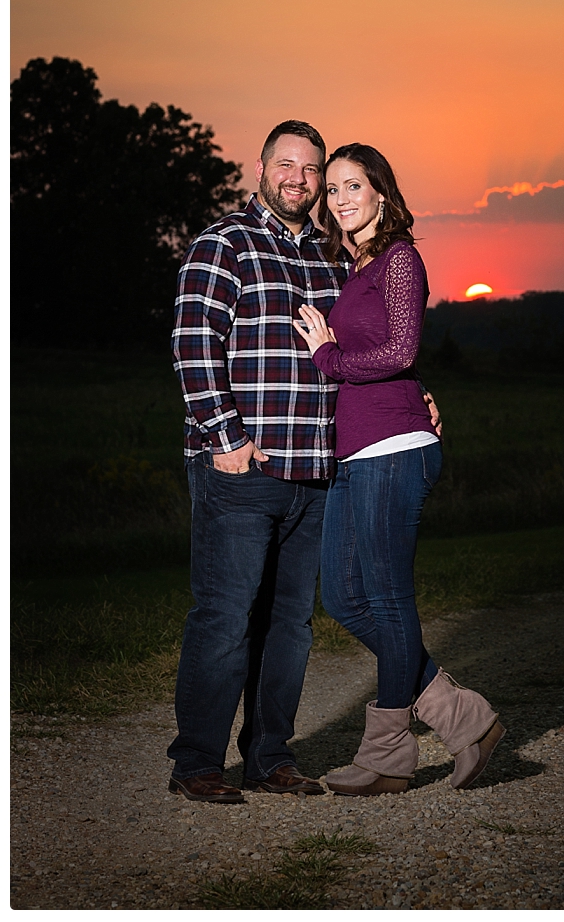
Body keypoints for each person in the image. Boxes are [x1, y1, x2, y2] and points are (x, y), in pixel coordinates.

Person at [166, 121, 438, 803]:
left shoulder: (333, 257)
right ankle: (198, 762)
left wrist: (418, 396)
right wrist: (225, 437)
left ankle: (269, 758)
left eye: (312, 169)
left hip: (318, 471)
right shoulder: (224, 242)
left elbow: (368, 344)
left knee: (291, 625)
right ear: (259, 167)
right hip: (242, 469)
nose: (300, 179)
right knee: (226, 618)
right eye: (286, 165)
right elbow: (193, 343)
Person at [294, 143, 504, 796]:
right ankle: (459, 713)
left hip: (394, 449)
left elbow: (401, 349)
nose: (340, 198)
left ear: (382, 192)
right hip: (354, 453)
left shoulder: (399, 260)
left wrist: (327, 355)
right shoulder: (353, 269)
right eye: (331, 190)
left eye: (353, 185)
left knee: (385, 599)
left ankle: (388, 754)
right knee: (345, 598)